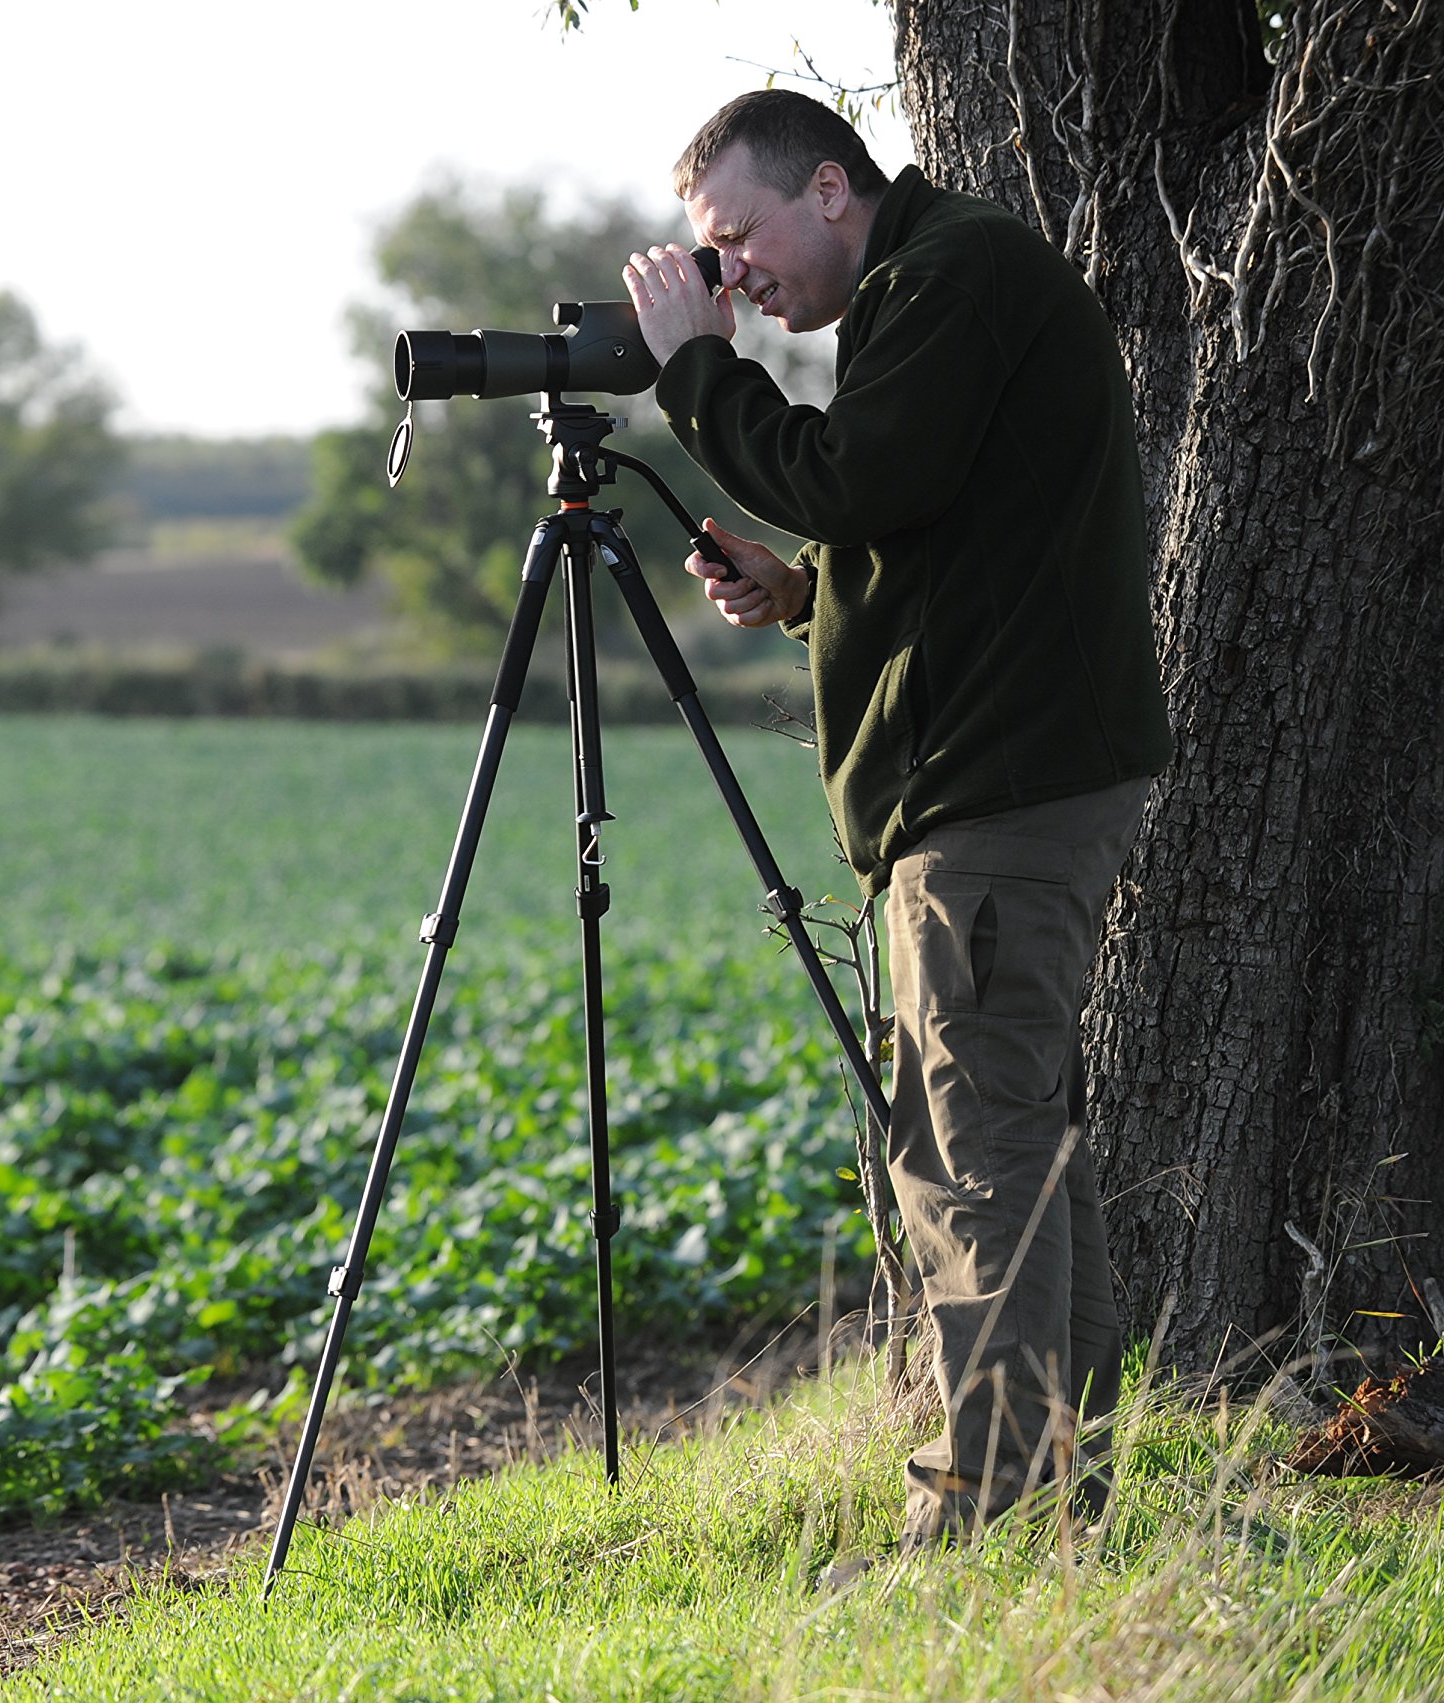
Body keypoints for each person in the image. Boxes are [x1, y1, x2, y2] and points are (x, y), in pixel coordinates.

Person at [618, 89, 1173, 1548]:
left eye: (735, 236)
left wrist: (696, 379)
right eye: (708, 255)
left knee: (969, 1158)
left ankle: (979, 1529)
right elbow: (936, 531)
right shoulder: (936, 283)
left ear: (828, 185)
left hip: (995, 797)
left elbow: (864, 477)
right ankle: (1066, 1508)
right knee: (1019, 1153)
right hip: (1006, 777)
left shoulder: (951, 275)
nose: (729, 274)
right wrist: (807, 591)